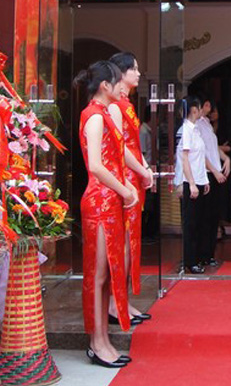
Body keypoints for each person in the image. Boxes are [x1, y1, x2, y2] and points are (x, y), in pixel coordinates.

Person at [74, 61, 139, 368]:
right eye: (116, 81)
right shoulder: (94, 116)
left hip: (109, 200)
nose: (121, 86)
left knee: (105, 276)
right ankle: (96, 342)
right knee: (98, 276)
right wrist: (125, 189)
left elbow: (113, 160)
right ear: (105, 86)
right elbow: (97, 166)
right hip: (100, 202)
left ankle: (102, 339)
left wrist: (127, 186)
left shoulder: (102, 114)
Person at [107, 52, 154, 325]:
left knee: (130, 242)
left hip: (133, 174)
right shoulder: (115, 106)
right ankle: (115, 304)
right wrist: (141, 169)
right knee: (123, 244)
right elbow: (119, 147)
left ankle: (122, 301)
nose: (138, 73)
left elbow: (133, 144)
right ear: (121, 73)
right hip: (124, 178)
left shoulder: (126, 104)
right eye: (134, 69)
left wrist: (145, 167)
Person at [174, 96, 210, 274]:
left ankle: (196, 257)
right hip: (190, 182)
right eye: (199, 108)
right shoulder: (186, 130)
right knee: (190, 224)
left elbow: (199, 158)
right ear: (194, 110)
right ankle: (189, 260)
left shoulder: (196, 129)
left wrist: (205, 180)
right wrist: (192, 184)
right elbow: (184, 159)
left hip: (199, 180)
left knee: (198, 222)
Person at [195, 94, 230, 266]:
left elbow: (213, 148)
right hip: (207, 174)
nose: (209, 108)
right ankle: (202, 255)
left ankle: (209, 254)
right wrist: (215, 172)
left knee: (213, 216)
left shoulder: (207, 124)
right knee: (205, 217)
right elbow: (200, 153)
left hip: (216, 174)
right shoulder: (196, 126)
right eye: (207, 105)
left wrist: (226, 159)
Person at [209, 104, 231, 237]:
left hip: (224, 166)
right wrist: (219, 147)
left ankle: (220, 227)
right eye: (210, 112)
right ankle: (215, 228)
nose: (212, 114)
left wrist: (215, 147)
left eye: (214, 111)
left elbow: (230, 147)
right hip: (210, 166)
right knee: (213, 198)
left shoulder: (225, 128)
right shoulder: (205, 127)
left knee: (223, 197)